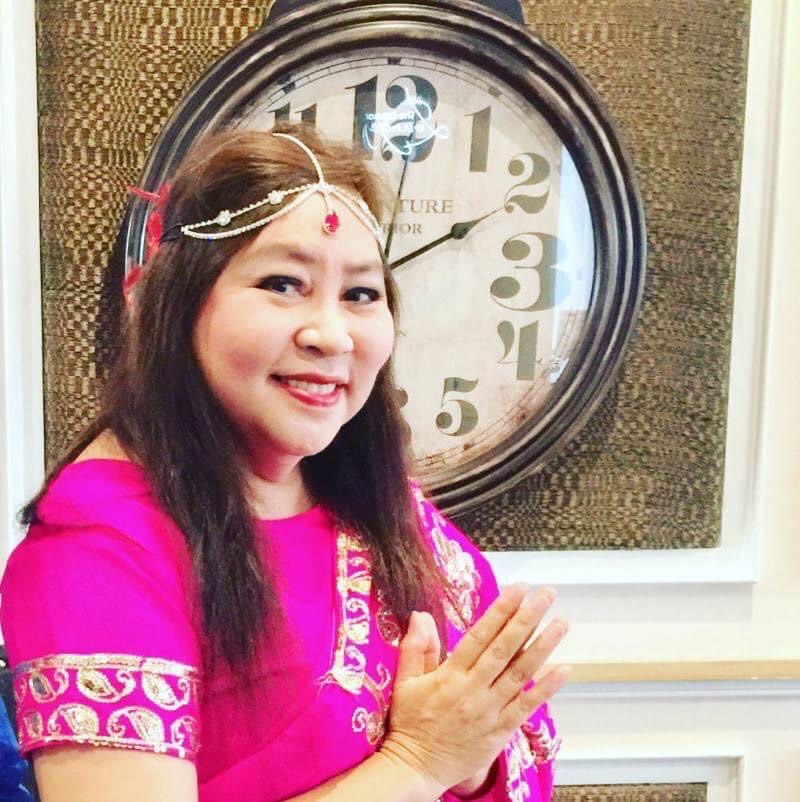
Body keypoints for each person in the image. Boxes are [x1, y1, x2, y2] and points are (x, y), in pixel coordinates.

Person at [0, 122, 569, 802]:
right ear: (172, 304)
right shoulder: (100, 549)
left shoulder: (385, 509)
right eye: (283, 283)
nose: (331, 335)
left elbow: (504, 740)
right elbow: (434, 752)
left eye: (360, 294)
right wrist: (419, 762)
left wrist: (473, 763)